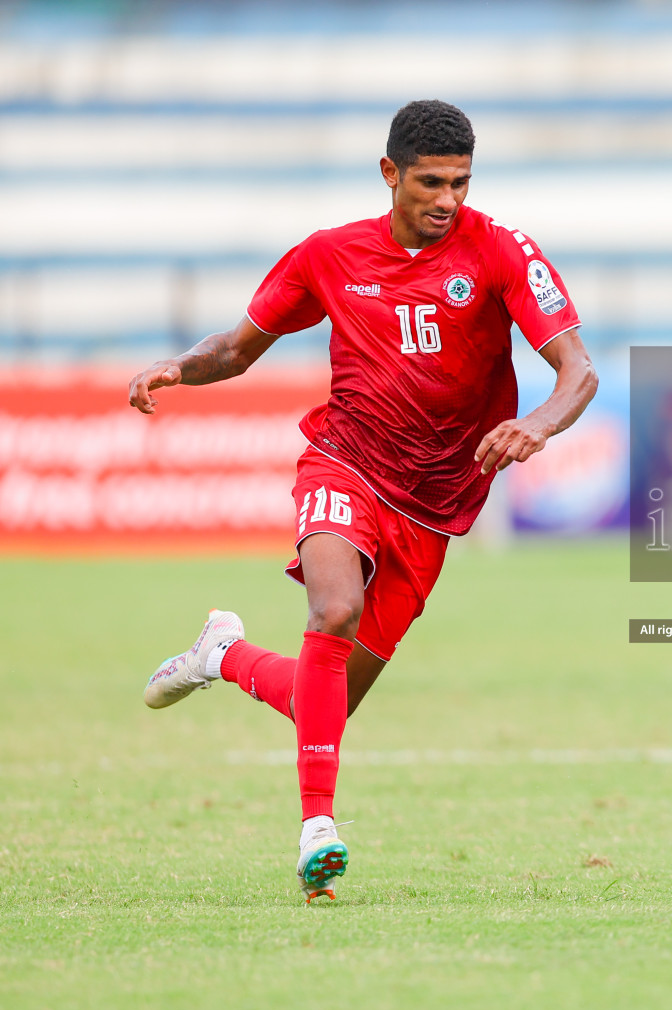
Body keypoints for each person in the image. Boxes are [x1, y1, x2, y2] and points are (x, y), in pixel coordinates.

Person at [129, 100, 598, 903]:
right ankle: (318, 828)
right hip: (346, 462)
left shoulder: (501, 252)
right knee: (334, 609)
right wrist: (181, 366)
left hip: (438, 502)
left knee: (329, 702)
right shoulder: (328, 255)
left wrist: (538, 425)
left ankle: (223, 655)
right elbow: (238, 349)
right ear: (390, 174)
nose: (447, 199)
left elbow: (578, 371)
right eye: (430, 183)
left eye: (460, 182)